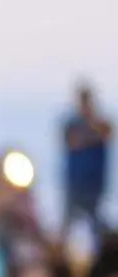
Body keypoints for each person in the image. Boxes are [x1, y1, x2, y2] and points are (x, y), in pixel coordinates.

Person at [63, 84, 112, 243]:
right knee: (69, 226)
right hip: (75, 185)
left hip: (94, 186)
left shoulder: (99, 122)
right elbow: (72, 141)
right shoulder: (72, 124)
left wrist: (90, 127)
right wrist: (91, 137)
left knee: (94, 227)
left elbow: (106, 132)